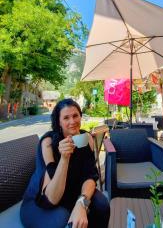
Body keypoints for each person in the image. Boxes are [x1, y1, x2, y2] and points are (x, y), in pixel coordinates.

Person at [20, 98, 110, 228]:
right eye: (66, 118)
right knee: (63, 217)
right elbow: (51, 199)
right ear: (59, 122)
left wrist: (81, 202)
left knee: (101, 204)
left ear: (80, 116)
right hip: (40, 203)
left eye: (75, 116)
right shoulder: (48, 143)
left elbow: (90, 176)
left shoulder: (86, 138)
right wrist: (64, 158)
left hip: (71, 194)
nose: (72, 121)